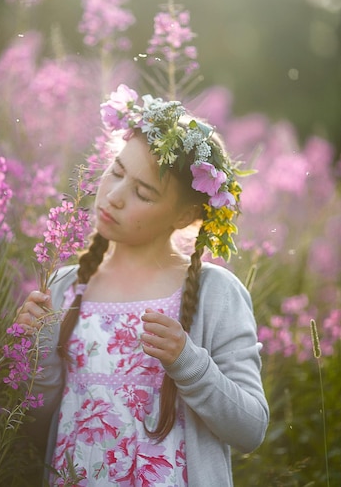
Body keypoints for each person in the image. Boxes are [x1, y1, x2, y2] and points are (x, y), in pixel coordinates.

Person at [16, 84, 269, 487]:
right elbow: (35, 429)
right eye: (116, 172)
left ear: (185, 215)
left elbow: (250, 428)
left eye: (143, 193)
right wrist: (39, 353)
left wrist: (189, 361)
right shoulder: (66, 286)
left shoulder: (214, 292)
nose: (113, 197)